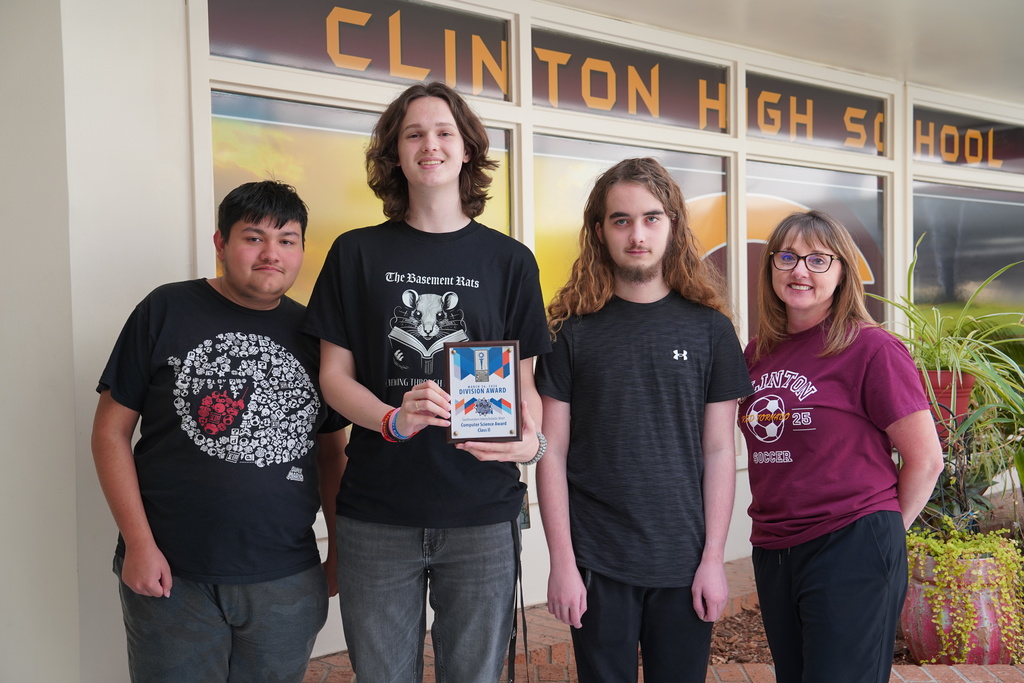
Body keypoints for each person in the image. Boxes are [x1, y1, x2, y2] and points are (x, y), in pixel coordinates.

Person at [302, 82, 550, 682]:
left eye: (444, 133)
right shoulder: (355, 254)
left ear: (468, 150)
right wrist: (391, 418)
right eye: (413, 134)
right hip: (377, 512)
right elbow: (333, 377)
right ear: (395, 153)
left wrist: (530, 442)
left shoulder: (510, 261)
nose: (430, 145)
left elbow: (526, 388)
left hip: (482, 512)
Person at [91, 180, 349, 683]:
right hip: (173, 574)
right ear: (220, 243)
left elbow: (332, 454)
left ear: (301, 250)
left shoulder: (316, 337)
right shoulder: (165, 309)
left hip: (286, 577)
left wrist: (338, 551)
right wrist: (139, 545)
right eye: (253, 238)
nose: (271, 253)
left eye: (287, 240)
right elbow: (109, 434)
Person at [534, 157, 754, 683]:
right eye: (621, 220)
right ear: (599, 231)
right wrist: (562, 562)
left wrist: (714, 559)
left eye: (651, 218)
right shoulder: (570, 332)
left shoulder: (711, 331)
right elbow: (551, 451)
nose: (637, 235)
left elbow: (719, 450)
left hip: (684, 560)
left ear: (672, 226)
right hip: (596, 559)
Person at [738, 210, 944, 683]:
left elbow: (926, 459)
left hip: (850, 542)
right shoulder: (756, 353)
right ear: (771, 267)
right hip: (774, 546)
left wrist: (876, 536)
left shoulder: (871, 349)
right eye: (787, 257)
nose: (799, 270)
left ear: (842, 272)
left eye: (817, 259)